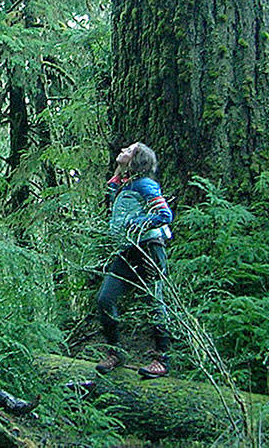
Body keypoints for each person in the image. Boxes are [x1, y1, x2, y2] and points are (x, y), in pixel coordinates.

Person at [94, 141, 173, 378]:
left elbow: (164, 214)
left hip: (149, 248)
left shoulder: (146, 185)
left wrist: (136, 224)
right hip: (126, 251)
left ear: (137, 160)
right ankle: (115, 352)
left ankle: (162, 359)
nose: (122, 151)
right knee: (105, 298)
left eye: (128, 151)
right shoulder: (121, 186)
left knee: (154, 302)